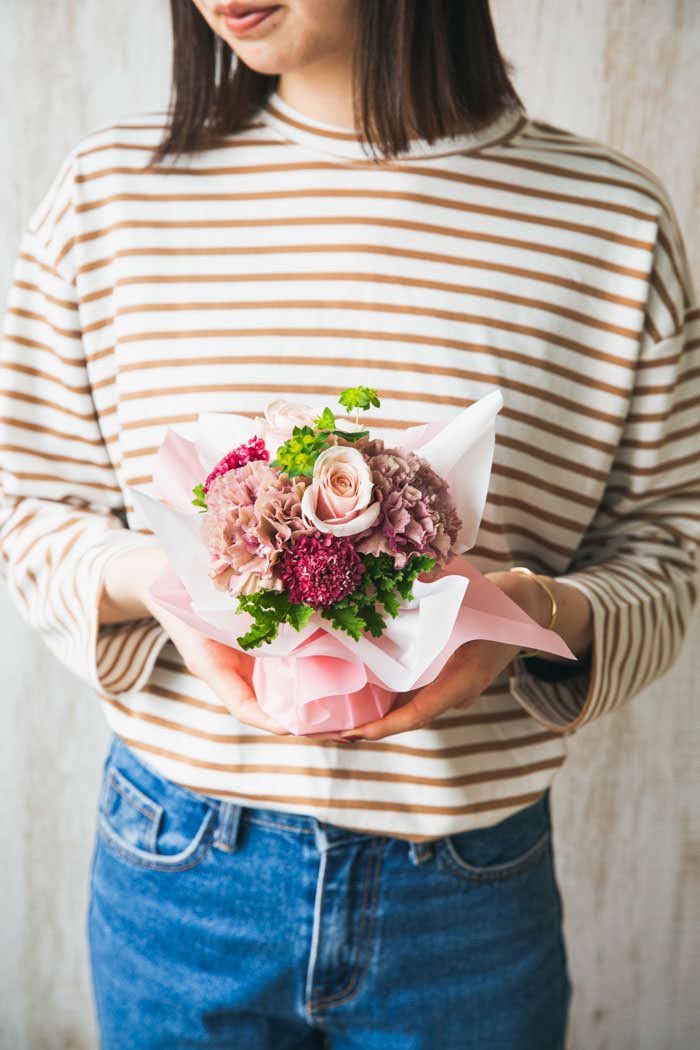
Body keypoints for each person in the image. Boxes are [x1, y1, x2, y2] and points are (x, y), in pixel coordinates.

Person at [1, 1, 698, 1047]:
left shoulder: (609, 221)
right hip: (181, 870)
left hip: (464, 888)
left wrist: (524, 617)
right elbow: (27, 505)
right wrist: (158, 584)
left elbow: (670, 549)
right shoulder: (111, 199)